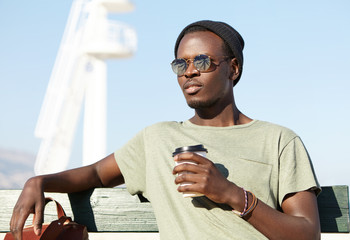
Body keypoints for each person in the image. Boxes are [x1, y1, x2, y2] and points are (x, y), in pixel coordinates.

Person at [10, 20, 321, 240]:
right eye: (180, 64)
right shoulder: (158, 138)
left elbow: (307, 233)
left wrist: (230, 193)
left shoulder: (279, 140)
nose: (189, 71)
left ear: (234, 68)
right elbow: (96, 174)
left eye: (202, 60)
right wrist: (40, 181)